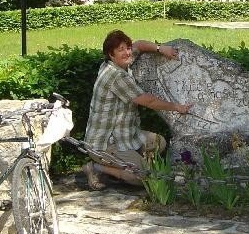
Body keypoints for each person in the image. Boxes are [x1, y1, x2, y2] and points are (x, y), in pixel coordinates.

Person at [83, 29, 193, 189]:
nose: (127, 52)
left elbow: (139, 45)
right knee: (145, 176)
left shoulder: (118, 61)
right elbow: (149, 101)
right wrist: (177, 107)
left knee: (158, 143)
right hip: (106, 144)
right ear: (111, 54)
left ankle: (124, 167)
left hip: (125, 136)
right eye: (121, 50)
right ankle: (96, 168)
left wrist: (160, 48)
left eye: (127, 48)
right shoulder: (116, 76)